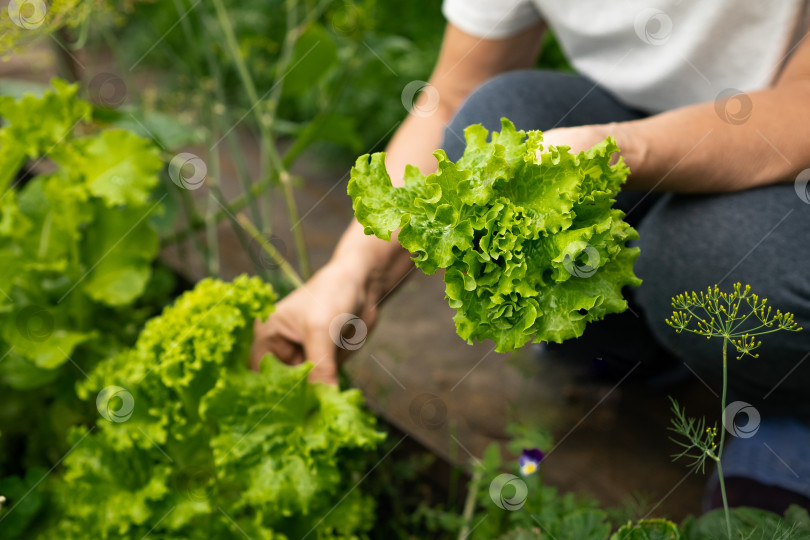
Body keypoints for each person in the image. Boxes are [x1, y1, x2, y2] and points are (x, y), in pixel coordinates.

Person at [252, 0, 810, 513]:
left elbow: (800, 111)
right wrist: (352, 274)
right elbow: (452, 92)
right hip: (646, 121)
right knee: (495, 120)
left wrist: (613, 151)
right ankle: (649, 346)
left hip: (790, 159)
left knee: (714, 264)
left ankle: (788, 402)